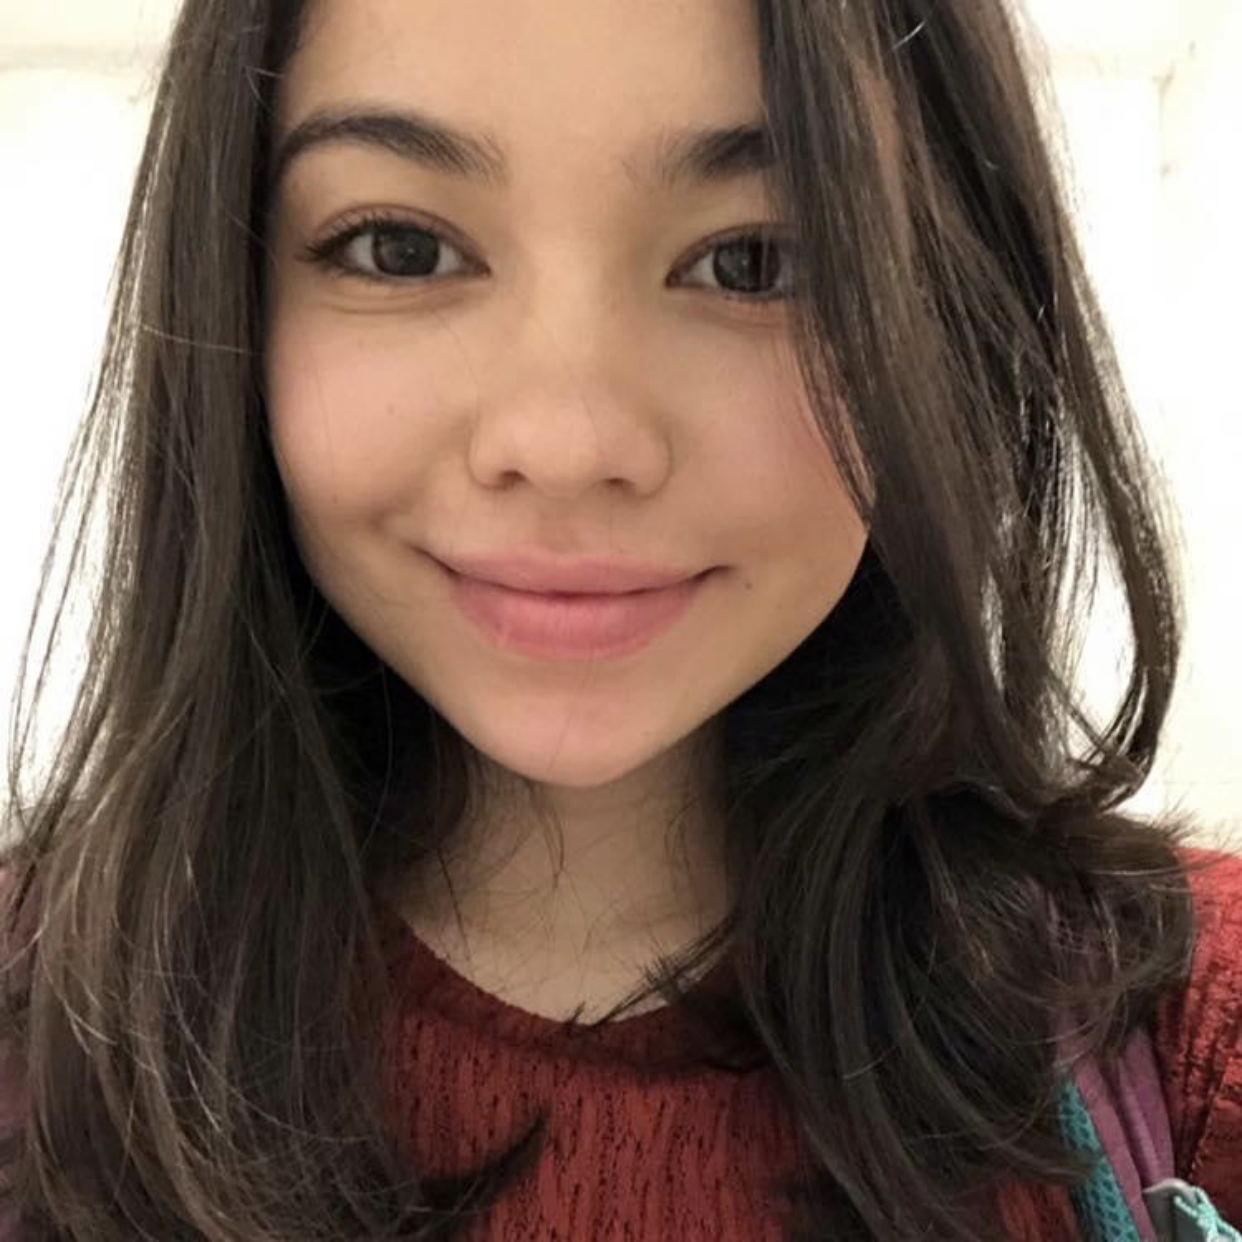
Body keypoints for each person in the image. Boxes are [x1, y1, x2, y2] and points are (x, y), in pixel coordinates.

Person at [0, 0, 1238, 1237]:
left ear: (955, 329)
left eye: (756, 262)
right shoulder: (32, 1044)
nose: (568, 442)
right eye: (401, 249)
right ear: (233, 306)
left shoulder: (1195, 1045)